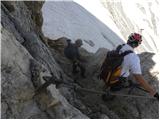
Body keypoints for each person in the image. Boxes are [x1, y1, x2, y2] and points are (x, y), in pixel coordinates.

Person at [110, 33, 158, 100]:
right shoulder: (134, 58)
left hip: (107, 72)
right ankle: (111, 94)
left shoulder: (119, 47)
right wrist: (153, 92)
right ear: (137, 45)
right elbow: (139, 78)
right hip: (115, 80)